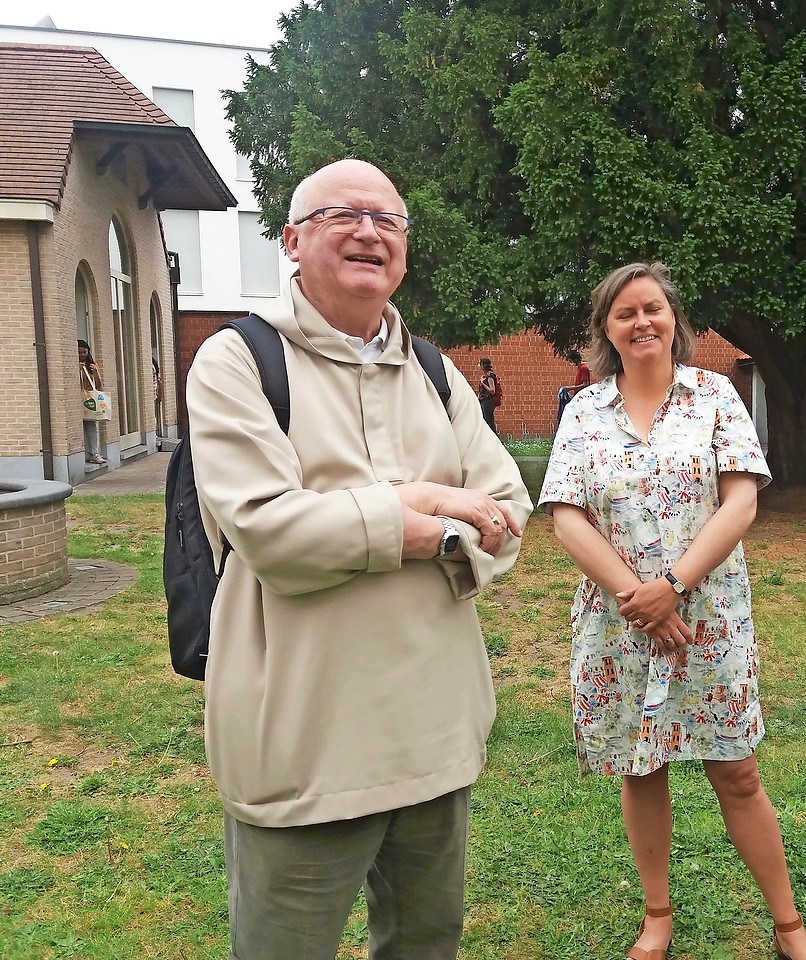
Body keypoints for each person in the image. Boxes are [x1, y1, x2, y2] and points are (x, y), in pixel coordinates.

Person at [185, 158, 532, 960]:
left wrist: (409, 519)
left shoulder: (437, 374)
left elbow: (508, 509)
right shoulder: (238, 361)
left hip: (435, 735)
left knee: (425, 944)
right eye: (344, 214)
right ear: (292, 241)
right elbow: (274, 533)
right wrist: (433, 504)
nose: (371, 232)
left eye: (390, 220)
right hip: (301, 740)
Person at [539, 262, 806, 960]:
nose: (642, 322)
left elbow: (742, 502)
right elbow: (567, 518)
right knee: (641, 768)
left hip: (710, 620)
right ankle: (658, 915)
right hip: (619, 623)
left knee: (738, 771)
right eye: (625, 313)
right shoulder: (584, 411)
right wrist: (640, 601)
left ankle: (789, 927)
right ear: (606, 330)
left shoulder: (715, 396)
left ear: (674, 320)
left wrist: (671, 585)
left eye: (653, 309)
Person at [78, 339, 107, 465]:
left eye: (85, 352)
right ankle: (84, 453)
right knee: (80, 427)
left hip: (89, 399)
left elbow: (99, 386)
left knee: (91, 426)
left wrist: (95, 372)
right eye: (79, 352)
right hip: (77, 399)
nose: (82, 355)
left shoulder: (92, 365)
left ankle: (94, 453)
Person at [556, 348, 592, 426]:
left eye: (571, 361)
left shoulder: (583, 368)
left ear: (575, 359)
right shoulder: (579, 368)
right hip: (578, 396)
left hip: (583, 397)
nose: (571, 363)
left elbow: (585, 384)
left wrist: (570, 388)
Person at [477, 356, 500, 434]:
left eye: (479, 363)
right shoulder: (485, 375)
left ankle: (494, 438)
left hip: (488, 401)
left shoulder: (489, 376)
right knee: (486, 420)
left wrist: (483, 383)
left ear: (483, 365)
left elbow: (492, 390)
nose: (478, 365)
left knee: (489, 421)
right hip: (484, 400)